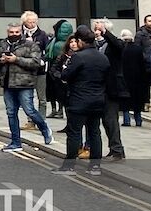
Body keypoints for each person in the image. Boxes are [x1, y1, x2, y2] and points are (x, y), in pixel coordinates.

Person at [54, 26, 109, 176]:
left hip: (79, 100)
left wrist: (64, 72)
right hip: (98, 100)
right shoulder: (102, 57)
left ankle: (69, 166)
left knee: (74, 133)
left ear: (80, 41)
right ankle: (95, 166)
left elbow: (66, 75)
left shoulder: (78, 57)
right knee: (94, 132)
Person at [0, 22, 54, 151]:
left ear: (21, 32)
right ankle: (15, 142)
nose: (14, 34)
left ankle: (45, 129)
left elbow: (36, 62)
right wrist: (1, 60)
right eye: (11, 32)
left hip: (24, 83)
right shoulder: (3, 44)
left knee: (29, 110)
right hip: (8, 83)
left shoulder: (30, 45)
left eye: (16, 32)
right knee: (11, 113)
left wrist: (16, 60)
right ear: (7, 33)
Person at [92, 19, 127, 161]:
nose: (97, 31)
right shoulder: (94, 44)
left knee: (111, 119)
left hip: (111, 87)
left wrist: (106, 33)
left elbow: (119, 47)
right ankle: (112, 149)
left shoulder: (114, 43)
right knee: (104, 121)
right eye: (95, 28)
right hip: (97, 86)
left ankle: (117, 150)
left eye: (99, 29)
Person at [120, 29, 151, 129]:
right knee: (137, 102)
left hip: (125, 78)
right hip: (138, 79)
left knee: (125, 102)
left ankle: (126, 120)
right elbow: (143, 64)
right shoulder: (138, 49)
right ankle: (138, 120)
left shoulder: (122, 49)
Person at [21, 11, 50, 117]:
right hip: (25, 69)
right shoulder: (21, 34)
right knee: (28, 97)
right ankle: (30, 121)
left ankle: (41, 119)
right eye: (30, 22)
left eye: (34, 22)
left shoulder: (42, 35)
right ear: (25, 22)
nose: (32, 24)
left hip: (39, 70)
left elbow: (47, 51)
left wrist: (42, 61)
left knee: (41, 98)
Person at [45, 20, 73, 119]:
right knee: (56, 91)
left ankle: (57, 110)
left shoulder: (57, 43)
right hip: (56, 70)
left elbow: (48, 54)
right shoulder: (56, 41)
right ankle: (58, 110)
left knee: (56, 91)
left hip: (55, 69)